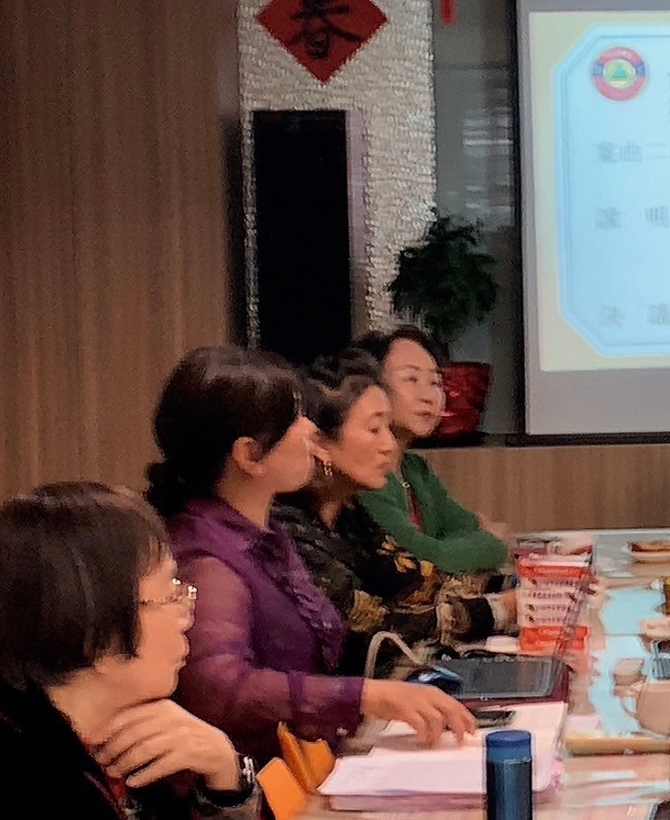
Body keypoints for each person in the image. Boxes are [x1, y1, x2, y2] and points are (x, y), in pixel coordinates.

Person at [147, 345, 475, 764]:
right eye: (294, 419)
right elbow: (221, 687)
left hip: (310, 761)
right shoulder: (208, 556)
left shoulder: (263, 531)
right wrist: (367, 696)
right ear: (249, 455)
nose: (309, 430)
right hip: (262, 783)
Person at [0, 482, 262, 820]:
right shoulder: (22, 777)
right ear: (96, 633)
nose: (186, 617)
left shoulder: (128, 736)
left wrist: (226, 779)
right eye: (170, 596)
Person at [274, 350, 513, 677]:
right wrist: (503, 608)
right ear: (320, 442)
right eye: (375, 429)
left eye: (388, 427)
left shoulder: (349, 511)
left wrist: (516, 585)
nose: (389, 445)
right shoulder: (289, 529)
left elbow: (417, 580)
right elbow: (378, 626)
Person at [352, 327, 509, 574]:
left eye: (435, 382)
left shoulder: (415, 467)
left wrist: (448, 549)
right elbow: (421, 562)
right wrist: (491, 544)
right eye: (411, 379)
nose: (428, 396)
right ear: (371, 387)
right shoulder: (365, 476)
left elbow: (467, 524)